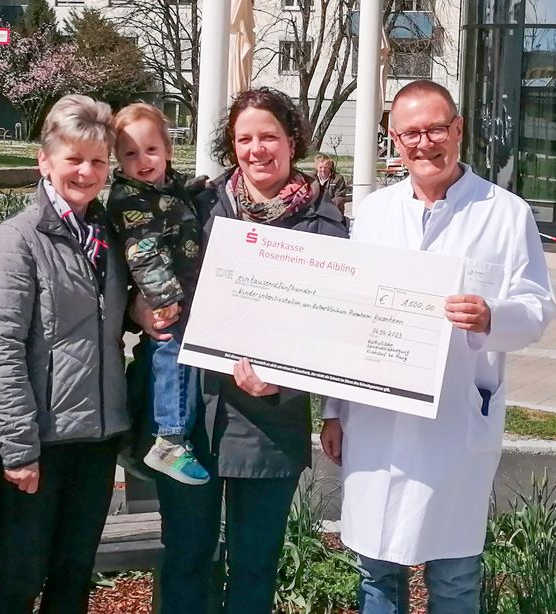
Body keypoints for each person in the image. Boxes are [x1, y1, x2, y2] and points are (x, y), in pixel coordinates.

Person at [319, 80, 556, 613]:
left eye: (435, 129)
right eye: (409, 133)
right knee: (376, 572)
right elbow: (348, 319)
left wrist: (493, 316)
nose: (423, 144)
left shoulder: (505, 213)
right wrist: (334, 412)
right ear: (392, 139)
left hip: (454, 418)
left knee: (453, 575)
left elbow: (539, 306)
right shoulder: (374, 212)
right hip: (376, 418)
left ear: (458, 131)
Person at [130, 87, 348, 614]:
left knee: (254, 568)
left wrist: (285, 381)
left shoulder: (325, 222)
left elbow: (334, 329)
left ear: (292, 140)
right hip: (189, 421)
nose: (257, 149)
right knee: (186, 559)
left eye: (269, 136)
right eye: (244, 137)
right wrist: (138, 311)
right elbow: (137, 274)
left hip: (268, 425)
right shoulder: (197, 203)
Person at [0, 94, 130, 614]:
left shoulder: (107, 233)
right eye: (74, 158)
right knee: (21, 578)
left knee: (73, 578)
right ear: (45, 160)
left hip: (96, 437)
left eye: (98, 160)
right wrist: (18, 446)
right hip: (40, 440)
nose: (87, 172)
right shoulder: (17, 239)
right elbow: (2, 349)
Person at [107, 103, 209, 486]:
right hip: (166, 295)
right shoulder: (130, 199)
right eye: (130, 153)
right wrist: (164, 299)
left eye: (151, 149)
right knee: (170, 353)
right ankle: (169, 437)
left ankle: (147, 442)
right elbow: (143, 251)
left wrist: (198, 188)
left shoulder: (167, 188)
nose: (142, 160)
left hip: (183, 290)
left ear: (167, 149)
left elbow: (177, 202)